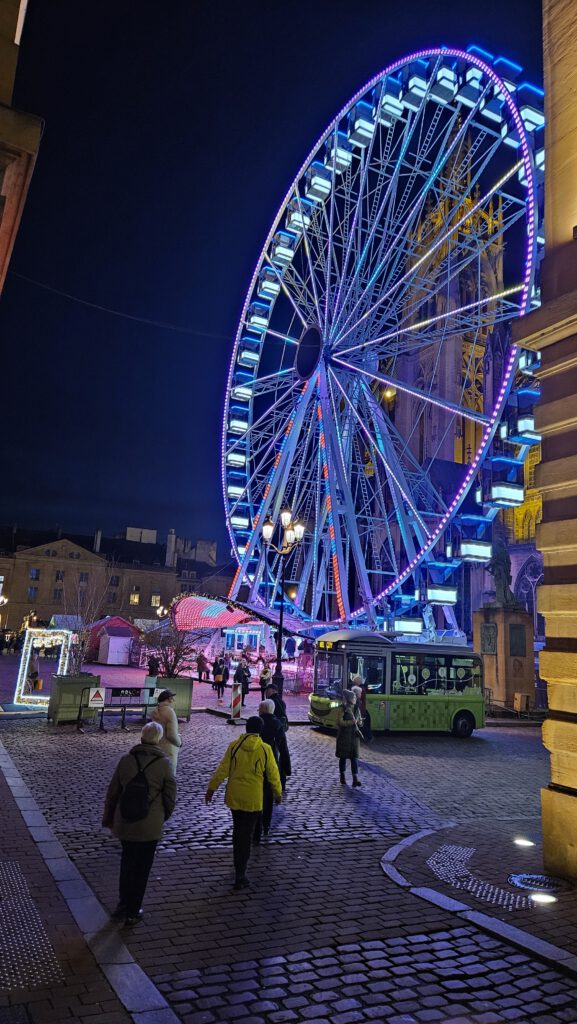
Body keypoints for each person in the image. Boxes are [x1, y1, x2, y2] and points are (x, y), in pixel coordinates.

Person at [102, 721, 176, 925]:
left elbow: (113, 793)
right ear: (158, 740)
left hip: (125, 821)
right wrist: (162, 816)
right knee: (143, 867)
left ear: (142, 738)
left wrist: (109, 818)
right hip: (150, 824)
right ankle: (134, 910)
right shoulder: (164, 763)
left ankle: (122, 904)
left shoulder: (126, 760)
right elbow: (170, 796)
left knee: (127, 863)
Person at [205, 716, 282, 890]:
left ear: (246, 728)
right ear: (260, 730)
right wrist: (278, 793)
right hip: (254, 798)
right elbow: (273, 773)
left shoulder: (234, 746)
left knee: (238, 831)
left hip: (235, 796)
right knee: (246, 835)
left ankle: (238, 864)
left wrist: (211, 789)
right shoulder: (265, 749)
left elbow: (222, 769)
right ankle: (241, 873)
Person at [255, 699, 291, 838]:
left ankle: (257, 824)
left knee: (257, 794)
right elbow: (283, 747)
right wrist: (287, 767)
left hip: (257, 762)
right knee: (268, 796)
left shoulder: (257, 722)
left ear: (262, 710)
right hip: (272, 761)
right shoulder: (277, 724)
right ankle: (266, 825)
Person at [336, 689, 363, 787]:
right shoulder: (342, 708)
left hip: (354, 738)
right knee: (343, 757)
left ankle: (355, 779)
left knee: (354, 758)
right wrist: (350, 723)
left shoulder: (356, 709)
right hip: (344, 737)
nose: (355, 698)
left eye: (355, 697)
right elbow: (339, 722)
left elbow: (360, 720)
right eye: (354, 697)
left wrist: (359, 722)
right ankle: (342, 775)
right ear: (349, 699)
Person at [150, 689, 182, 773]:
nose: (174, 700)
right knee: (169, 776)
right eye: (172, 698)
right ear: (168, 699)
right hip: (168, 749)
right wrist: (179, 743)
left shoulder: (155, 711)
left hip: (156, 747)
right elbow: (171, 735)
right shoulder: (169, 712)